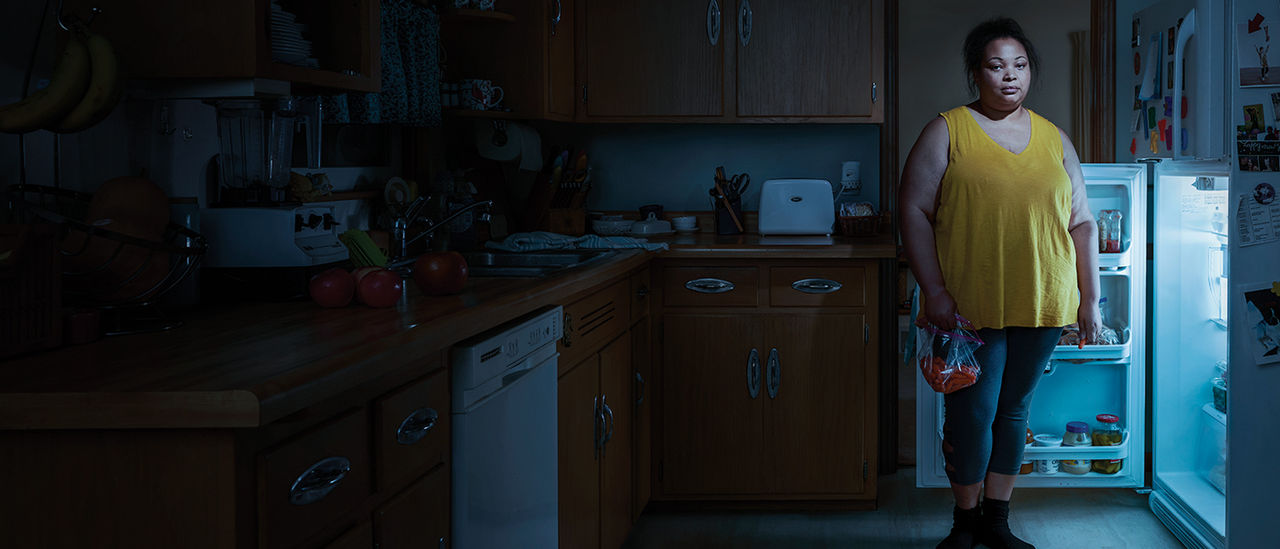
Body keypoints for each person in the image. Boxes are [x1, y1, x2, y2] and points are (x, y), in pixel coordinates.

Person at [898, 17, 1102, 549]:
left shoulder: (1054, 137)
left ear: (1030, 71)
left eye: (1020, 65)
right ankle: (964, 523)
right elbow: (914, 211)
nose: (1009, 76)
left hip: (1043, 302)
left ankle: (997, 522)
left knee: (1014, 413)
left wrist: (1090, 301)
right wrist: (935, 292)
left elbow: (1082, 222)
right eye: (996, 65)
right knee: (971, 415)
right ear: (975, 72)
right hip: (968, 307)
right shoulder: (947, 129)